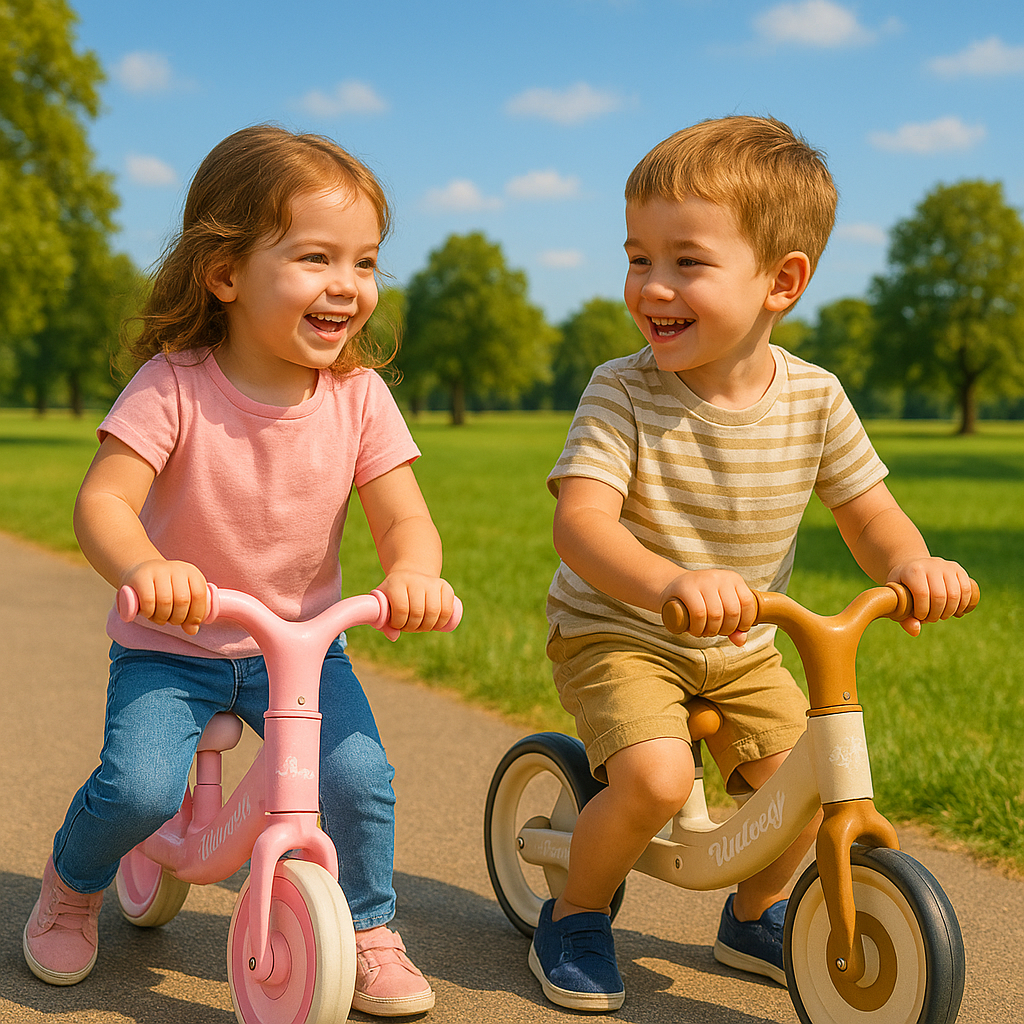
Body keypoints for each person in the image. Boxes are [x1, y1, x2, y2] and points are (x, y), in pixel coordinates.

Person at [532, 115, 977, 1012]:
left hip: (744, 642)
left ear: (782, 282)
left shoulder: (816, 398)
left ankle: (756, 913)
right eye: (637, 258)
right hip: (621, 629)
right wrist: (668, 582)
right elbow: (581, 524)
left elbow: (868, 511)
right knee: (657, 779)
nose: (651, 286)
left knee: (807, 784)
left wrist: (914, 561)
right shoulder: (622, 389)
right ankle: (575, 912)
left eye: (686, 261)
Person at [23, 124, 453, 1017]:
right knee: (138, 786)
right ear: (224, 274)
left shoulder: (359, 398)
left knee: (358, 777)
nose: (348, 285)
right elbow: (103, 501)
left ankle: (369, 927)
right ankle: (73, 882)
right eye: (314, 258)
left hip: (297, 648)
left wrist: (414, 572)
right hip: (171, 644)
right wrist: (148, 566)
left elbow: (406, 517)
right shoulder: (174, 384)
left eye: (365, 262)